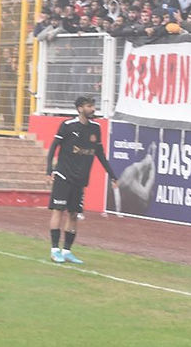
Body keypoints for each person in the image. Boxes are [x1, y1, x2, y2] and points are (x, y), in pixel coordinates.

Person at [45, 96, 117, 264]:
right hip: (63, 176)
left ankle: (67, 251)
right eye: (89, 106)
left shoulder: (95, 128)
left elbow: (100, 154)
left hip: (80, 179)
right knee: (58, 210)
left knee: (73, 214)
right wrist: (50, 169)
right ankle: (55, 250)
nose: (92, 109)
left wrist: (112, 175)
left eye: (93, 106)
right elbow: (54, 146)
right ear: (79, 109)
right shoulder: (68, 126)